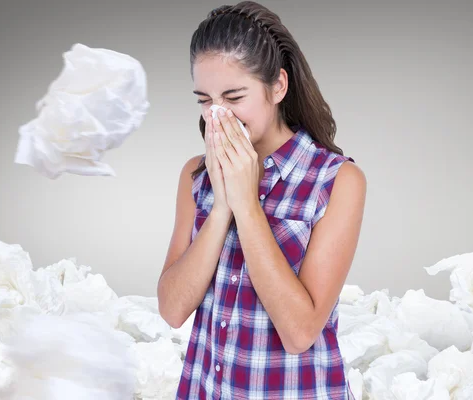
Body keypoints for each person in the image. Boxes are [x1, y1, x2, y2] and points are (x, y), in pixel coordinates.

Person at [157, 1, 367, 398]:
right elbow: (172, 310)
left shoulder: (336, 180)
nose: (217, 115)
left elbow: (300, 332)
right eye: (205, 99)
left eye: (234, 96)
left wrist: (247, 206)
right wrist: (221, 206)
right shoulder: (195, 175)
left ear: (278, 87)